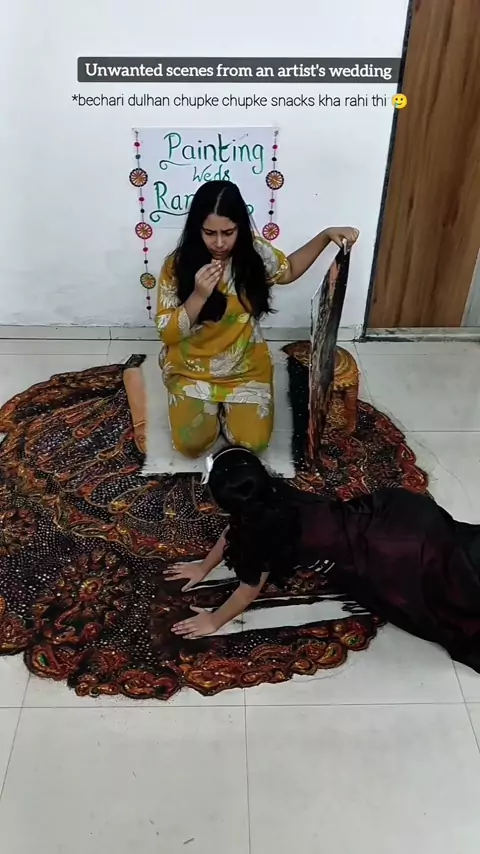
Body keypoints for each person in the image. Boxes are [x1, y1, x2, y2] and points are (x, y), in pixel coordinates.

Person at [163, 446, 480, 674]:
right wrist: (203, 567)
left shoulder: (261, 536)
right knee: (458, 558)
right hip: (399, 514)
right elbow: (235, 527)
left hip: (393, 552)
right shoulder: (272, 493)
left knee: (449, 597)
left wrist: (214, 620)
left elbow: (247, 591)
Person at [155, 180, 359, 457]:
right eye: (209, 233)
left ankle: (227, 410)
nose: (219, 243)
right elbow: (168, 333)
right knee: (190, 446)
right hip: (192, 368)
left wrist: (324, 236)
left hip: (245, 367)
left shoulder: (254, 254)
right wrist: (198, 296)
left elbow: (288, 271)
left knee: (252, 446)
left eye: (228, 232)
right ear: (196, 229)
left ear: (240, 227)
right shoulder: (177, 265)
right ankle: (209, 408)